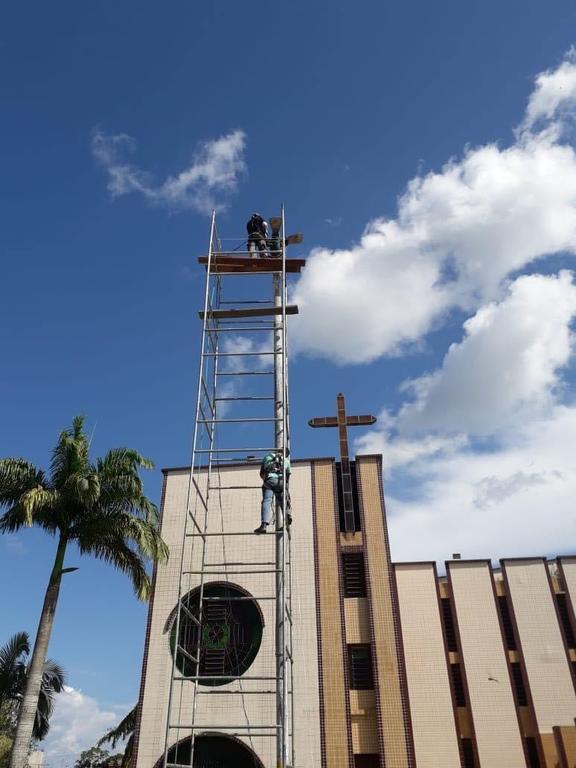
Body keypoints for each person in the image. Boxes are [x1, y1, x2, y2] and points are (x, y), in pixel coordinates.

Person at [254, 449, 292, 534]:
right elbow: (288, 476)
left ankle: (264, 525)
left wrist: (266, 480)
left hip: (270, 480)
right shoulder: (287, 461)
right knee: (283, 502)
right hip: (281, 482)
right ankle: (287, 517)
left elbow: (262, 473)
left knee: (267, 501)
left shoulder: (267, 457)